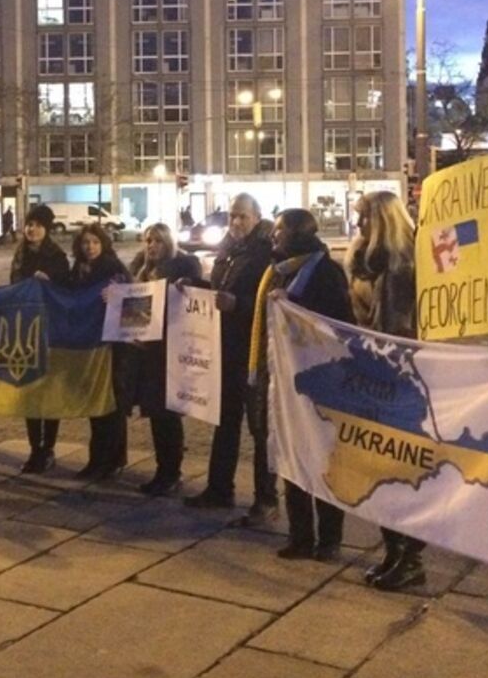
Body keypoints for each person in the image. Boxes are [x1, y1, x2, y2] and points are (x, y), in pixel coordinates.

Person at [256, 209, 354, 561]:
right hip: (285, 380)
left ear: (298, 233)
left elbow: (339, 325)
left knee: (324, 458)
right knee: (293, 455)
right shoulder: (278, 270)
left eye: (280, 229)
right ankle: (300, 536)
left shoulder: (325, 272)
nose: (274, 235)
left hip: (320, 381)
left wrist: (293, 306)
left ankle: (329, 539)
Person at [345, 190, 423, 591]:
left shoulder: (400, 268)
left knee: (398, 472)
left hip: (398, 382)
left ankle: (410, 557)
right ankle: (394, 550)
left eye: (364, 219)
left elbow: (395, 330)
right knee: (378, 471)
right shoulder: (367, 263)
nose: (358, 226)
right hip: (373, 376)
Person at [184, 193, 275, 518]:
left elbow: (271, 302)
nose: (236, 222)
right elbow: (218, 288)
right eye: (233, 216)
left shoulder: (265, 253)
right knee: (224, 421)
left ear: (256, 217)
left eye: (243, 217)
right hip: (226, 348)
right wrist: (195, 284)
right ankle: (219, 488)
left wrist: (238, 304)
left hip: (252, 353)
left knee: (259, 428)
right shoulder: (228, 250)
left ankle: (266, 498)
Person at [129, 222, 202, 495]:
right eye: (148, 240)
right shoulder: (142, 268)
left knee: (167, 413)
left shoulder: (183, 266)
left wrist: (189, 285)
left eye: (158, 240)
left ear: (168, 243)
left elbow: (199, 293)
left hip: (172, 349)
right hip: (148, 351)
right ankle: (163, 469)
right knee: (155, 413)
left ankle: (171, 471)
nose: (152, 245)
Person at [70, 223, 132, 481]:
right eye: (86, 243)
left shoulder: (113, 268)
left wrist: (116, 295)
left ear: (103, 244)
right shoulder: (79, 270)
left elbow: (131, 295)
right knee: (96, 402)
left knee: (111, 403)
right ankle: (99, 458)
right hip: (90, 344)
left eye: (95, 242)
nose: (90, 247)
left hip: (112, 346)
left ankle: (110, 459)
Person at [13, 204, 71, 473]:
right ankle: (34, 447)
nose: (31, 229)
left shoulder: (56, 257)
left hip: (50, 331)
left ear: (46, 229)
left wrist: (49, 282)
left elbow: (67, 292)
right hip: (25, 330)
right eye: (29, 224)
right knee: (30, 391)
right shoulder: (20, 254)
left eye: (37, 225)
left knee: (48, 391)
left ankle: (48, 448)